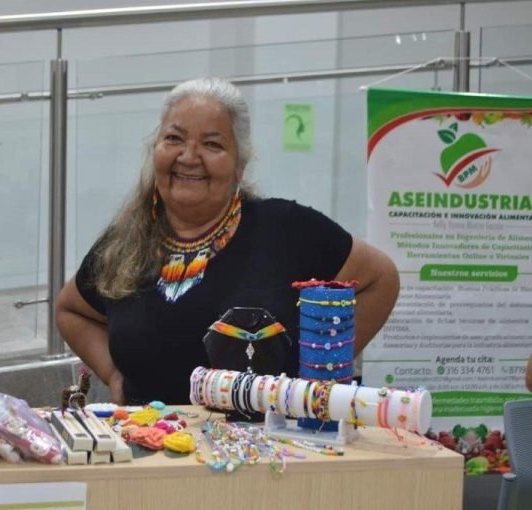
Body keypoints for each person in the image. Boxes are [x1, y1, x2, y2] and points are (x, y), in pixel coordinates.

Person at [56, 77, 399, 405]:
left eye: (212, 144)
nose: (189, 156)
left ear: (240, 164)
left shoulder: (286, 229)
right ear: (155, 148)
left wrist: (315, 379)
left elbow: (380, 279)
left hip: (266, 442)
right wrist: (114, 377)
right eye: (174, 138)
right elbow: (71, 310)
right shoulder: (125, 241)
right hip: (148, 440)